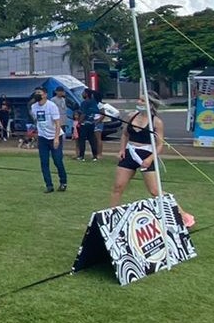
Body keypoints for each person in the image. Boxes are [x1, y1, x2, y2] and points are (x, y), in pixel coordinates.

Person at [110, 93, 195, 228]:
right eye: (139, 99)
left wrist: (150, 159)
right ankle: (112, 216)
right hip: (130, 153)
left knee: (155, 191)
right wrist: (122, 150)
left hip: (147, 154)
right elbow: (125, 134)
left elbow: (159, 144)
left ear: (150, 104)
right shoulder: (131, 116)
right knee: (118, 186)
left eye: (142, 100)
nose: (139, 102)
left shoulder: (156, 122)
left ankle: (183, 215)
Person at [30, 87, 67, 192]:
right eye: (36, 92)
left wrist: (56, 138)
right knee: (44, 162)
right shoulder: (34, 107)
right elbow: (37, 120)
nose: (37, 94)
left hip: (54, 136)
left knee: (57, 160)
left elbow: (57, 123)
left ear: (45, 94)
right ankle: (49, 185)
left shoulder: (51, 106)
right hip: (43, 138)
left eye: (39, 93)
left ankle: (63, 182)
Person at [77, 90, 104, 161]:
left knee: (82, 140)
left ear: (86, 94)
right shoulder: (94, 103)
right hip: (91, 123)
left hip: (84, 124)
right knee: (92, 140)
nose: (82, 94)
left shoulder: (84, 103)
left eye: (83, 93)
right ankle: (95, 156)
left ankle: (81, 156)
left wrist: (79, 121)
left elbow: (83, 114)